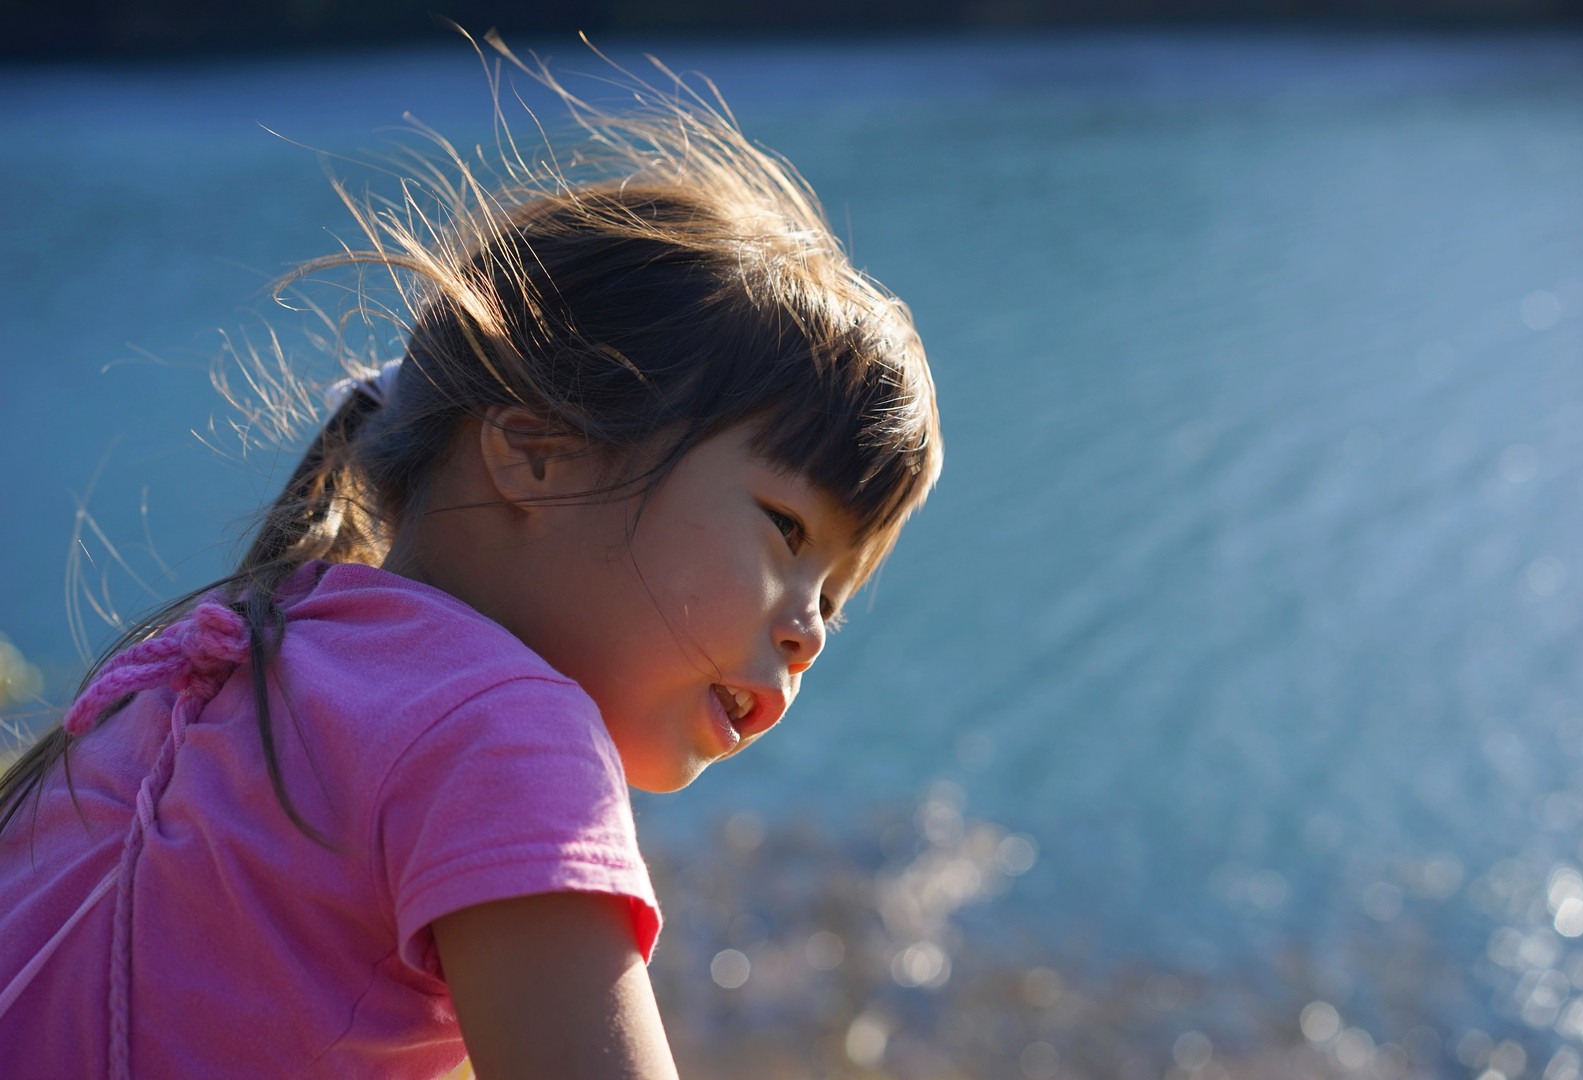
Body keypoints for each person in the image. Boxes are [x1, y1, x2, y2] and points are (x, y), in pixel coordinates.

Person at [0, 46, 941, 1080]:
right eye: (787, 530)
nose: (809, 632)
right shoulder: (502, 730)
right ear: (537, 453)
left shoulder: (240, 655)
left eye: (833, 597)